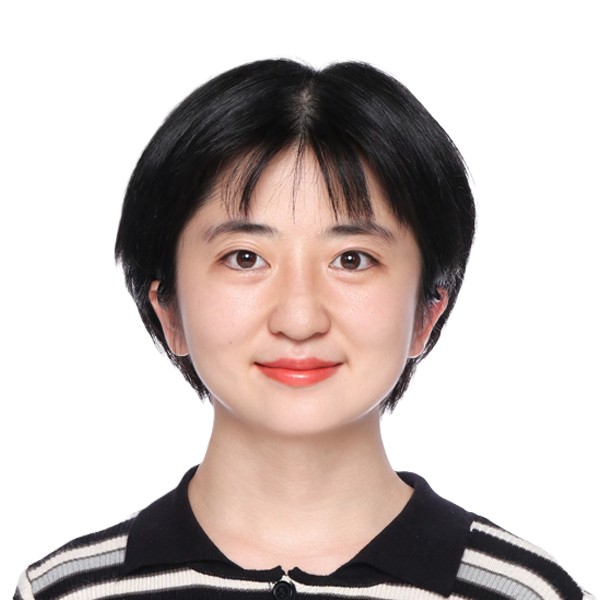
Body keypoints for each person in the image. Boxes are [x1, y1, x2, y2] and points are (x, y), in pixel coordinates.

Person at [14, 59, 592, 600]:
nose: (299, 319)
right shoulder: (67, 590)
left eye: (352, 260)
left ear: (426, 313)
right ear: (169, 311)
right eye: (244, 258)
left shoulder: (526, 592)